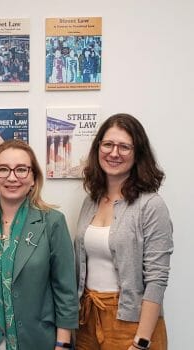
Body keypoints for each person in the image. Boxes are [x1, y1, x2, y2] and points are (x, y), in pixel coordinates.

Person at [0, 139, 78, 350]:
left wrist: (62, 344)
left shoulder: (52, 221)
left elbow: (65, 292)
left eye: (21, 170)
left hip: (35, 339)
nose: (12, 177)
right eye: (3, 169)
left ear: (34, 178)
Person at [75, 113, 173, 350]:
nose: (114, 153)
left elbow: (157, 279)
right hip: (89, 318)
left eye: (124, 147)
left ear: (138, 153)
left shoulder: (151, 205)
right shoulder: (91, 201)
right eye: (107, 144)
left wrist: (141, 341)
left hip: (132, 323)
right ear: (98, 148)